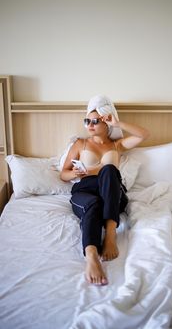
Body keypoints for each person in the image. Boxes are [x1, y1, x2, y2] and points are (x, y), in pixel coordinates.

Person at [60, 96, 149, 285]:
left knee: (109, 169)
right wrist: (75, 172)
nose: (90, 125)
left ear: (106, 123)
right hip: (85, 190)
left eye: (95, 121)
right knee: (93, 203)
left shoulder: (117, 145)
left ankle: (110, 232)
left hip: (113, 193)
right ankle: (91, 256)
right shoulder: (80, 144)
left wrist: (118, 123)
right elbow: (63, 174)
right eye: (87, 121)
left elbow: (143, 135)